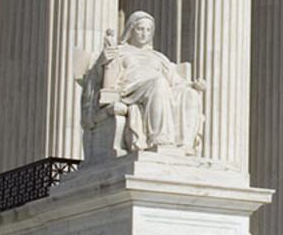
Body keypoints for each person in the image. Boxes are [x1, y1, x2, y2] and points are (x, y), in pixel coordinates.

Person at [86, 11, 205, 157]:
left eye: (148, 30)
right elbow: (98, 81)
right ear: (131, 29)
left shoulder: (158, 57)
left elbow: (176, 81)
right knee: (158, 83)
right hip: (130, 90)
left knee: (190, 95)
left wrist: (193, 85)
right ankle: (159, 138)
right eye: (140, 29)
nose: (144, 34)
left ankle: (184, 145)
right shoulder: (120, 52)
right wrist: (101, 63)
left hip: (158, 89)